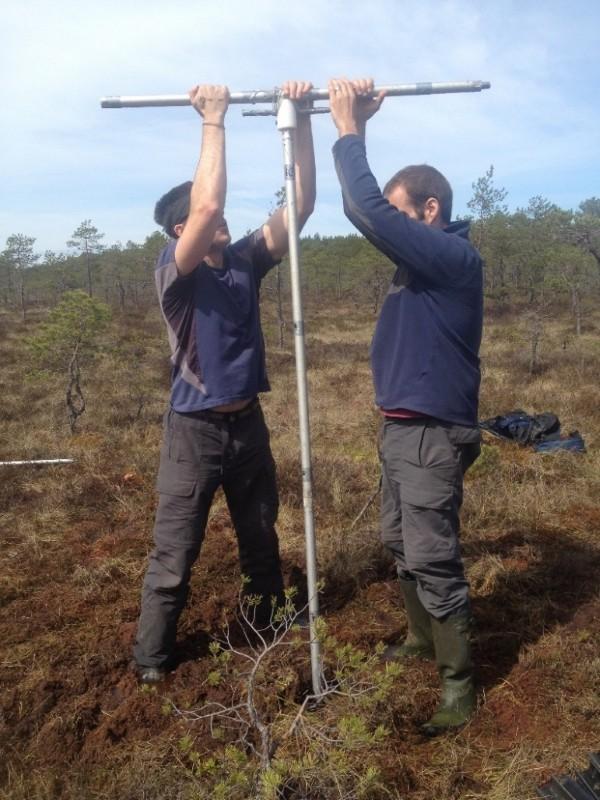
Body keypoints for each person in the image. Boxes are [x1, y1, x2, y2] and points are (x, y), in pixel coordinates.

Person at [133, 81, 316, 684]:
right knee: (174, 555)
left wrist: (304, 119)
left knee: (261, 537)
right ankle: (152, 662)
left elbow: (302, 208)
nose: (221, 213)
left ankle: (265, 626)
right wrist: (214, 120)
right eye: (205, 212)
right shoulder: (173, 274)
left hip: (248, 428)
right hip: (193, 434)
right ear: (182, 228)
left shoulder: (242, 260)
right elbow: (208, 204)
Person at [328, 78, 483, 735]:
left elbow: (364, 210)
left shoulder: (451, 257)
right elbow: (372, 211)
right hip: (400, 430)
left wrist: (346, 126)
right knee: (400, 543)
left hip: (429, 435)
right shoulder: (421, 266)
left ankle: (460, 688)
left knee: (432, 556)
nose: (388, 230)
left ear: (428, 210)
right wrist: (359, 125)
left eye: (400, 216)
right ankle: (423, 641)